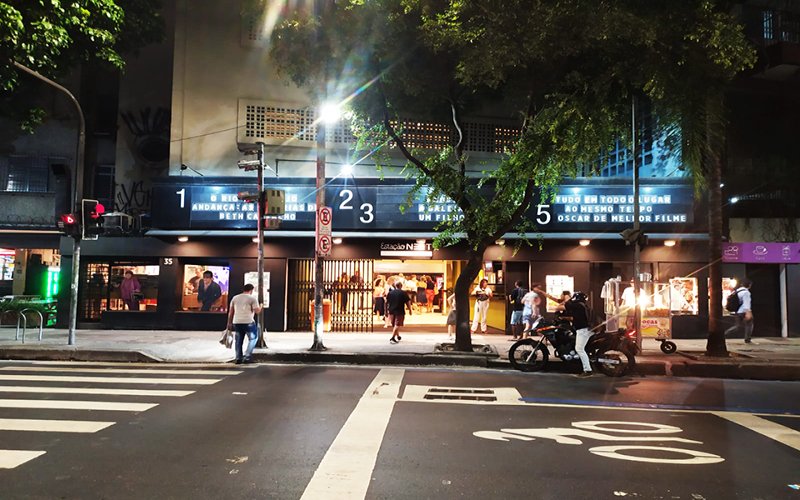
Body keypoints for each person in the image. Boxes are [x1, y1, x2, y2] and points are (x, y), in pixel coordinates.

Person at [557, 292, 594, 377]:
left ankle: (588, 370)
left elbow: (559, 307)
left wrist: (567, 298)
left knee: (579, 349)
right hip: (586, 329)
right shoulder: (583, 306)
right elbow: (576, 317)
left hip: (583, 330)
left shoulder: (577, 305)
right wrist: (565, 318)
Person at [226, 283, 263, 364]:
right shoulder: (252, 298)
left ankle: (238, 357)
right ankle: (247, 356)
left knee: (238, 340)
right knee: (253, 339)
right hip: (248, 322)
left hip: (237, 322)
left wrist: (229, 323)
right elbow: (257, 311)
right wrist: (261, 306)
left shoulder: (235, 298)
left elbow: (231, 312)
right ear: (251, 290)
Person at [725, 278, 754, 343]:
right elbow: (746, 303)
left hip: (737, 311)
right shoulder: (746, 292)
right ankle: (747, 339)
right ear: (749, 285)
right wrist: (748, 312)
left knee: (737, 326)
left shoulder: (736, 291)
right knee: (749, 325)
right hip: (744, 311)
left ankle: (724, 334)